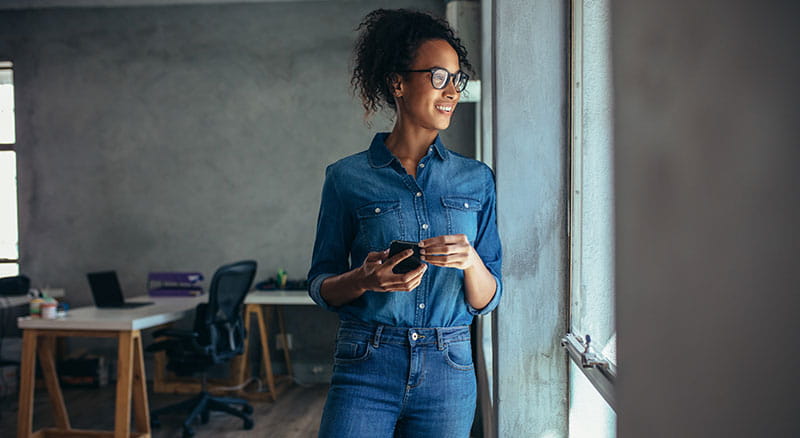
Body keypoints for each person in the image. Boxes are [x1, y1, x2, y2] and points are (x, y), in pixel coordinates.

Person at [307, 8, 502, 438]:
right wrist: (363, 279)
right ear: (398, 83)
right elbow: (321, 284)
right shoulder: (346, 178)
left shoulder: (477, 179)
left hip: (449, 366)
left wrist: (470, 261)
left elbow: (487, 299)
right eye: (438, 76)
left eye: (456, 79)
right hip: (365, 363)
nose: (451, 90)